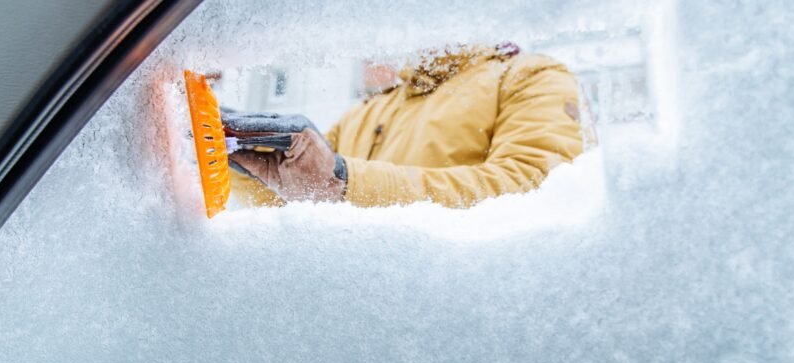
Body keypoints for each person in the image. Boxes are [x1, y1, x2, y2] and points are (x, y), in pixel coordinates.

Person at [222, 43, 583, 208]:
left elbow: (537, 192)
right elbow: (297, 202)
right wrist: (237, 162)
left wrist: (347, 180)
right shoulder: (367, 111)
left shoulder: (527, 76)